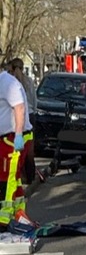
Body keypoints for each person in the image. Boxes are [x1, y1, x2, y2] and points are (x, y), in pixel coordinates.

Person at [0, 63, 34, 193]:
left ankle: (6, 206)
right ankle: (18, 205)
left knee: (6, 179)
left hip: (12, 139)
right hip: (8, 138)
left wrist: (18, 135)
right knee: (13, 178)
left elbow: (19, 108)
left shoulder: (7, 83)